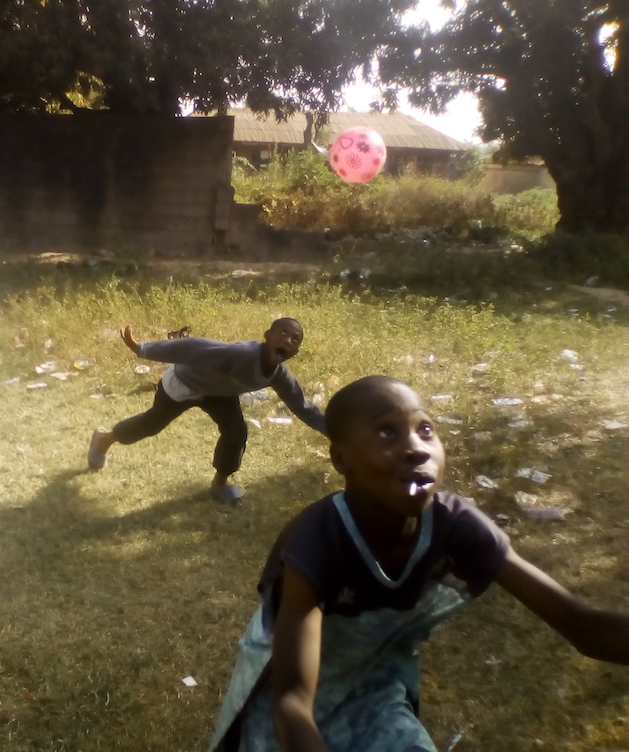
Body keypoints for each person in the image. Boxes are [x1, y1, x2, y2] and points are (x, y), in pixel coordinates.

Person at [208, 375, 629, 752]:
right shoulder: (319, 540)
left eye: (425, 429)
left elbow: (585, 628)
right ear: (341, 459)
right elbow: (292, 703)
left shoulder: (457, 526)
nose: (415, 448)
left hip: (375, 681)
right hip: (284, 696)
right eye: (386, 432)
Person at [86, 318, 326, 503]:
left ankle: (219, 484)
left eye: (295, 340)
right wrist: (142, 348)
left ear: (296, 352)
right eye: (282, 333)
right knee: (151, 424)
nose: (288, 340)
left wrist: (334, 431)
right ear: (267, 336)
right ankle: (104, 439)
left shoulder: (279, 375)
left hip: (220, 394)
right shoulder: (240, 354)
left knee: (236, 432)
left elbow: (301, 405)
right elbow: (192, 347)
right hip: (185, 383)